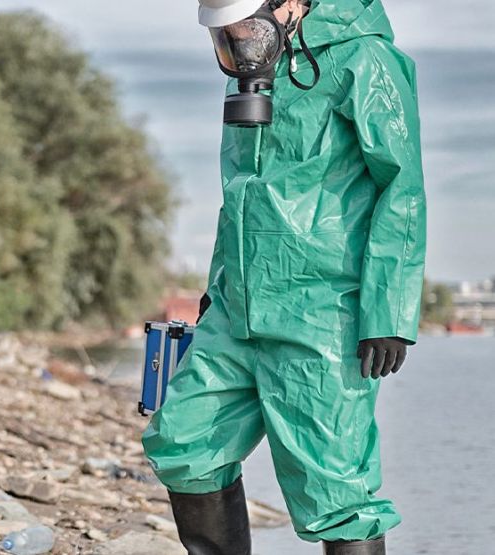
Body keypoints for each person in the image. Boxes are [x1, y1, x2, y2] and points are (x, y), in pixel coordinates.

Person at [142, 1, 426, 554]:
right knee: (183, 441)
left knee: (334, 489)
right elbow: (242, 193)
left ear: (290, 3)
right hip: (236, 307)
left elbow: (403, 190)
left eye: (244, 26)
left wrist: (388, 313)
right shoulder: (254, 76)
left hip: (322, 312)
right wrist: (217, 284)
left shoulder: (365, 59)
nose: (236, 41)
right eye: (224, 33)